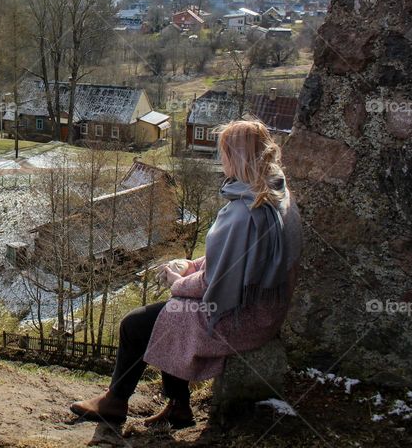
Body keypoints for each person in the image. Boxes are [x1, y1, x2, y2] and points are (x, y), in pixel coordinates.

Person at [70, 119, 303, 428]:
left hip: (244, 317)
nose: (220, 160)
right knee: (173, 312)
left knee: (138, 323)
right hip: (265, 307)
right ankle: (178, 407)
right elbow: (238, 261)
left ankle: (116, 401)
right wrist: (193, 265)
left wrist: (179, 280)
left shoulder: (243, 213)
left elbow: (215, 286)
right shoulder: (273, 192)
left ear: (235, 157)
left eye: (224, 153)